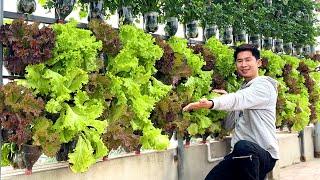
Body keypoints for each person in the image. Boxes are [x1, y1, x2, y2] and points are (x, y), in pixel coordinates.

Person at [182, 44, 279, 180]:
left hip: (262, 154)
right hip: (240, 155)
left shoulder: (264, 86)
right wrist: (229, 102)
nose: (244, 64)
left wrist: (211, 103)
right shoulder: (243, 90)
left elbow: (239, 99)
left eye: (248, 60)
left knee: (243, 146)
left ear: (258, 62)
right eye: (240, 61)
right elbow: (228, 125)